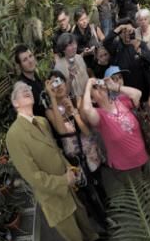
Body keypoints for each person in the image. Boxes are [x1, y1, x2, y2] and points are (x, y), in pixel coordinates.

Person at [6, 81, 99, 241]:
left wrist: (70, 170)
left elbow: (55, 150)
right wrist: (63, 181)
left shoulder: (41, 121)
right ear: (15, 103)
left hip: (68, 181)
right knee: (71, 231)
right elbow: (32, 176)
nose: (26, 90)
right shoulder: (14, 135)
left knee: (81, 216)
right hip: (52, 194)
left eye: (28, 89)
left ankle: (93, 238)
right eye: (20, 91)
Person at [44, 71, 107, 228]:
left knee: (99, 182)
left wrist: (74, 112)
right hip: (75, 158)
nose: (57, 86)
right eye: (53, 84)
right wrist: (52, 98)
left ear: (66, 83)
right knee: (88, 191)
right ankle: (102, 221)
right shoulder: (50, 111)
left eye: (59, 81)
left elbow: (87, 132)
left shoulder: (76, 100)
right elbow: (61, 131)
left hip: (90, 152)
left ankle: (108, 208)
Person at [81, 77, 148, 196]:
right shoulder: (99, 115)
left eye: (100, 85)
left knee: (149, 189)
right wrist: (88, 85)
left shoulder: (121, 101)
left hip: (143, 157)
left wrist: (115, 87)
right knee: (140, 198)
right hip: (125, 167)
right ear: (92, 98)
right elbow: (86, 109)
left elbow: (138, 94)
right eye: (95, 89)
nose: (100, 88)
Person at [103, 18, 150, 101]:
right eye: (123, 31)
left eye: (130, 31)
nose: (127, 34)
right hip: (124, 89)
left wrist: (139, 50)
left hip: (142, 88)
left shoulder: (140, 44)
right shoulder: (116, 46)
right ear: (119, 34)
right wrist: (119, 28)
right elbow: (106, 42)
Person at [54, 33, 89, 99]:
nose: (74, 47)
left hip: (88, 98)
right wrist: (70, 79)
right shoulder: (58, 68)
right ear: (63, 49)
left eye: (74, 43)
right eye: (70, 45)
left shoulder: (79, 58)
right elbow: (61, 94)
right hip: (75, 103)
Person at [14, 44, 46, 117]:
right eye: (25, 60)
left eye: (30, 56)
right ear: (20, 66)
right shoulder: (22, 87)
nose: (30, 61)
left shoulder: (36, 75)